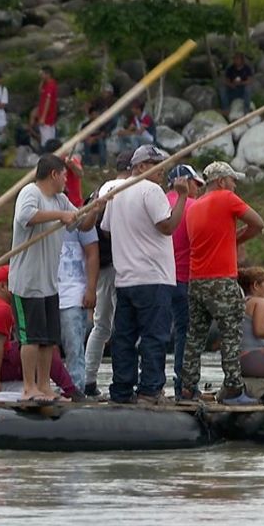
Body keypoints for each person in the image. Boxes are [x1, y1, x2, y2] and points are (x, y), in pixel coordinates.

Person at [9, 154, 100, 401]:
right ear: (53, 174)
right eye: (64, 175)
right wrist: (59, 216)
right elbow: (25, 217)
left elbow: (80, 224)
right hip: (27, 282)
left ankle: (45, 386)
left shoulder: (61, 199)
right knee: (31, 338)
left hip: (50, 283)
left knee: (48, 339)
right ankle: (30, 388)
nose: (66, 180)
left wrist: (95, 209)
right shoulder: (31, 192)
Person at [101, 144, 187, 404]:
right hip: (153, 277)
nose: (161, 171)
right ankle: (150, 391)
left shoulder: (117, 192)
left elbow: (106, 230)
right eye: (155, 164)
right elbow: (167, 226)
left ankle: (122, 390)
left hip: (126, 277)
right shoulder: (152, 190)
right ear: (139, 167)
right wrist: (181, 196)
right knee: (154, 336)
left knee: (124, 337)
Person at [182, 162, 264, 404]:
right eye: (232, 180)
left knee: (195, 336)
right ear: (221, 182)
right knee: (231, 334)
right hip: (221, 280)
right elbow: (258, 224)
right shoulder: (227, 198)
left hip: (196, 280)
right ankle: (233, 389)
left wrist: (229, 239)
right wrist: (237, 240)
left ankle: (188, 387)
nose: (235, 184)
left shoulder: (193, 208)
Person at [0, 265, 79, 399]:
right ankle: (70, 390)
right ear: (2, 287)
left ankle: (53, 386)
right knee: (42, 349)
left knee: (37, 348)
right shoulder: (1, 310)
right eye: (15, 286)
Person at [83, 150, 133, 397]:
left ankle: (88, 380)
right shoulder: (131, 189)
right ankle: (124, 384)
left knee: (101, 327)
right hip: (123, 266)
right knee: (125, 327)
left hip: (99, 266)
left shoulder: (98, 191)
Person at [166, 164, 205, 392]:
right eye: (195, 183)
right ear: (185, 182)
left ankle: (150, 385)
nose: (198, 188)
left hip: (158, 278)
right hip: (185, 277)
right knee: (187, 333)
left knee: (156, 332)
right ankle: (185, 385)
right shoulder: (194, 207)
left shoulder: (157, 201)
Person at [57, 213, 99, 394]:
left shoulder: (79, 217)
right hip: (47, 293)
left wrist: (90, 289)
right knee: (44, 347)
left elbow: (92, 254)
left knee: (74, 346)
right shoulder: (41, 218)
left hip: (73, 294)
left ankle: (76, 388)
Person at [42, 139, 84, 207]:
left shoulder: (70, 161)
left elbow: (80, 174)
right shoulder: (47, 165)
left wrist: (72, 166)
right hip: (55, 206)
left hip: (74, 205)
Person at [32, 65, 58, 146]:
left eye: (42, 74)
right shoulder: (46, 85)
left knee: (46, 140)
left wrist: (43, 117)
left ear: (48, 74)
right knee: (49, 137)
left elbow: (48, 100)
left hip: (47, 118)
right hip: (49, 117)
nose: (41, 75)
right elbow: (40, 91)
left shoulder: (50, 85)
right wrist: (42, 81)